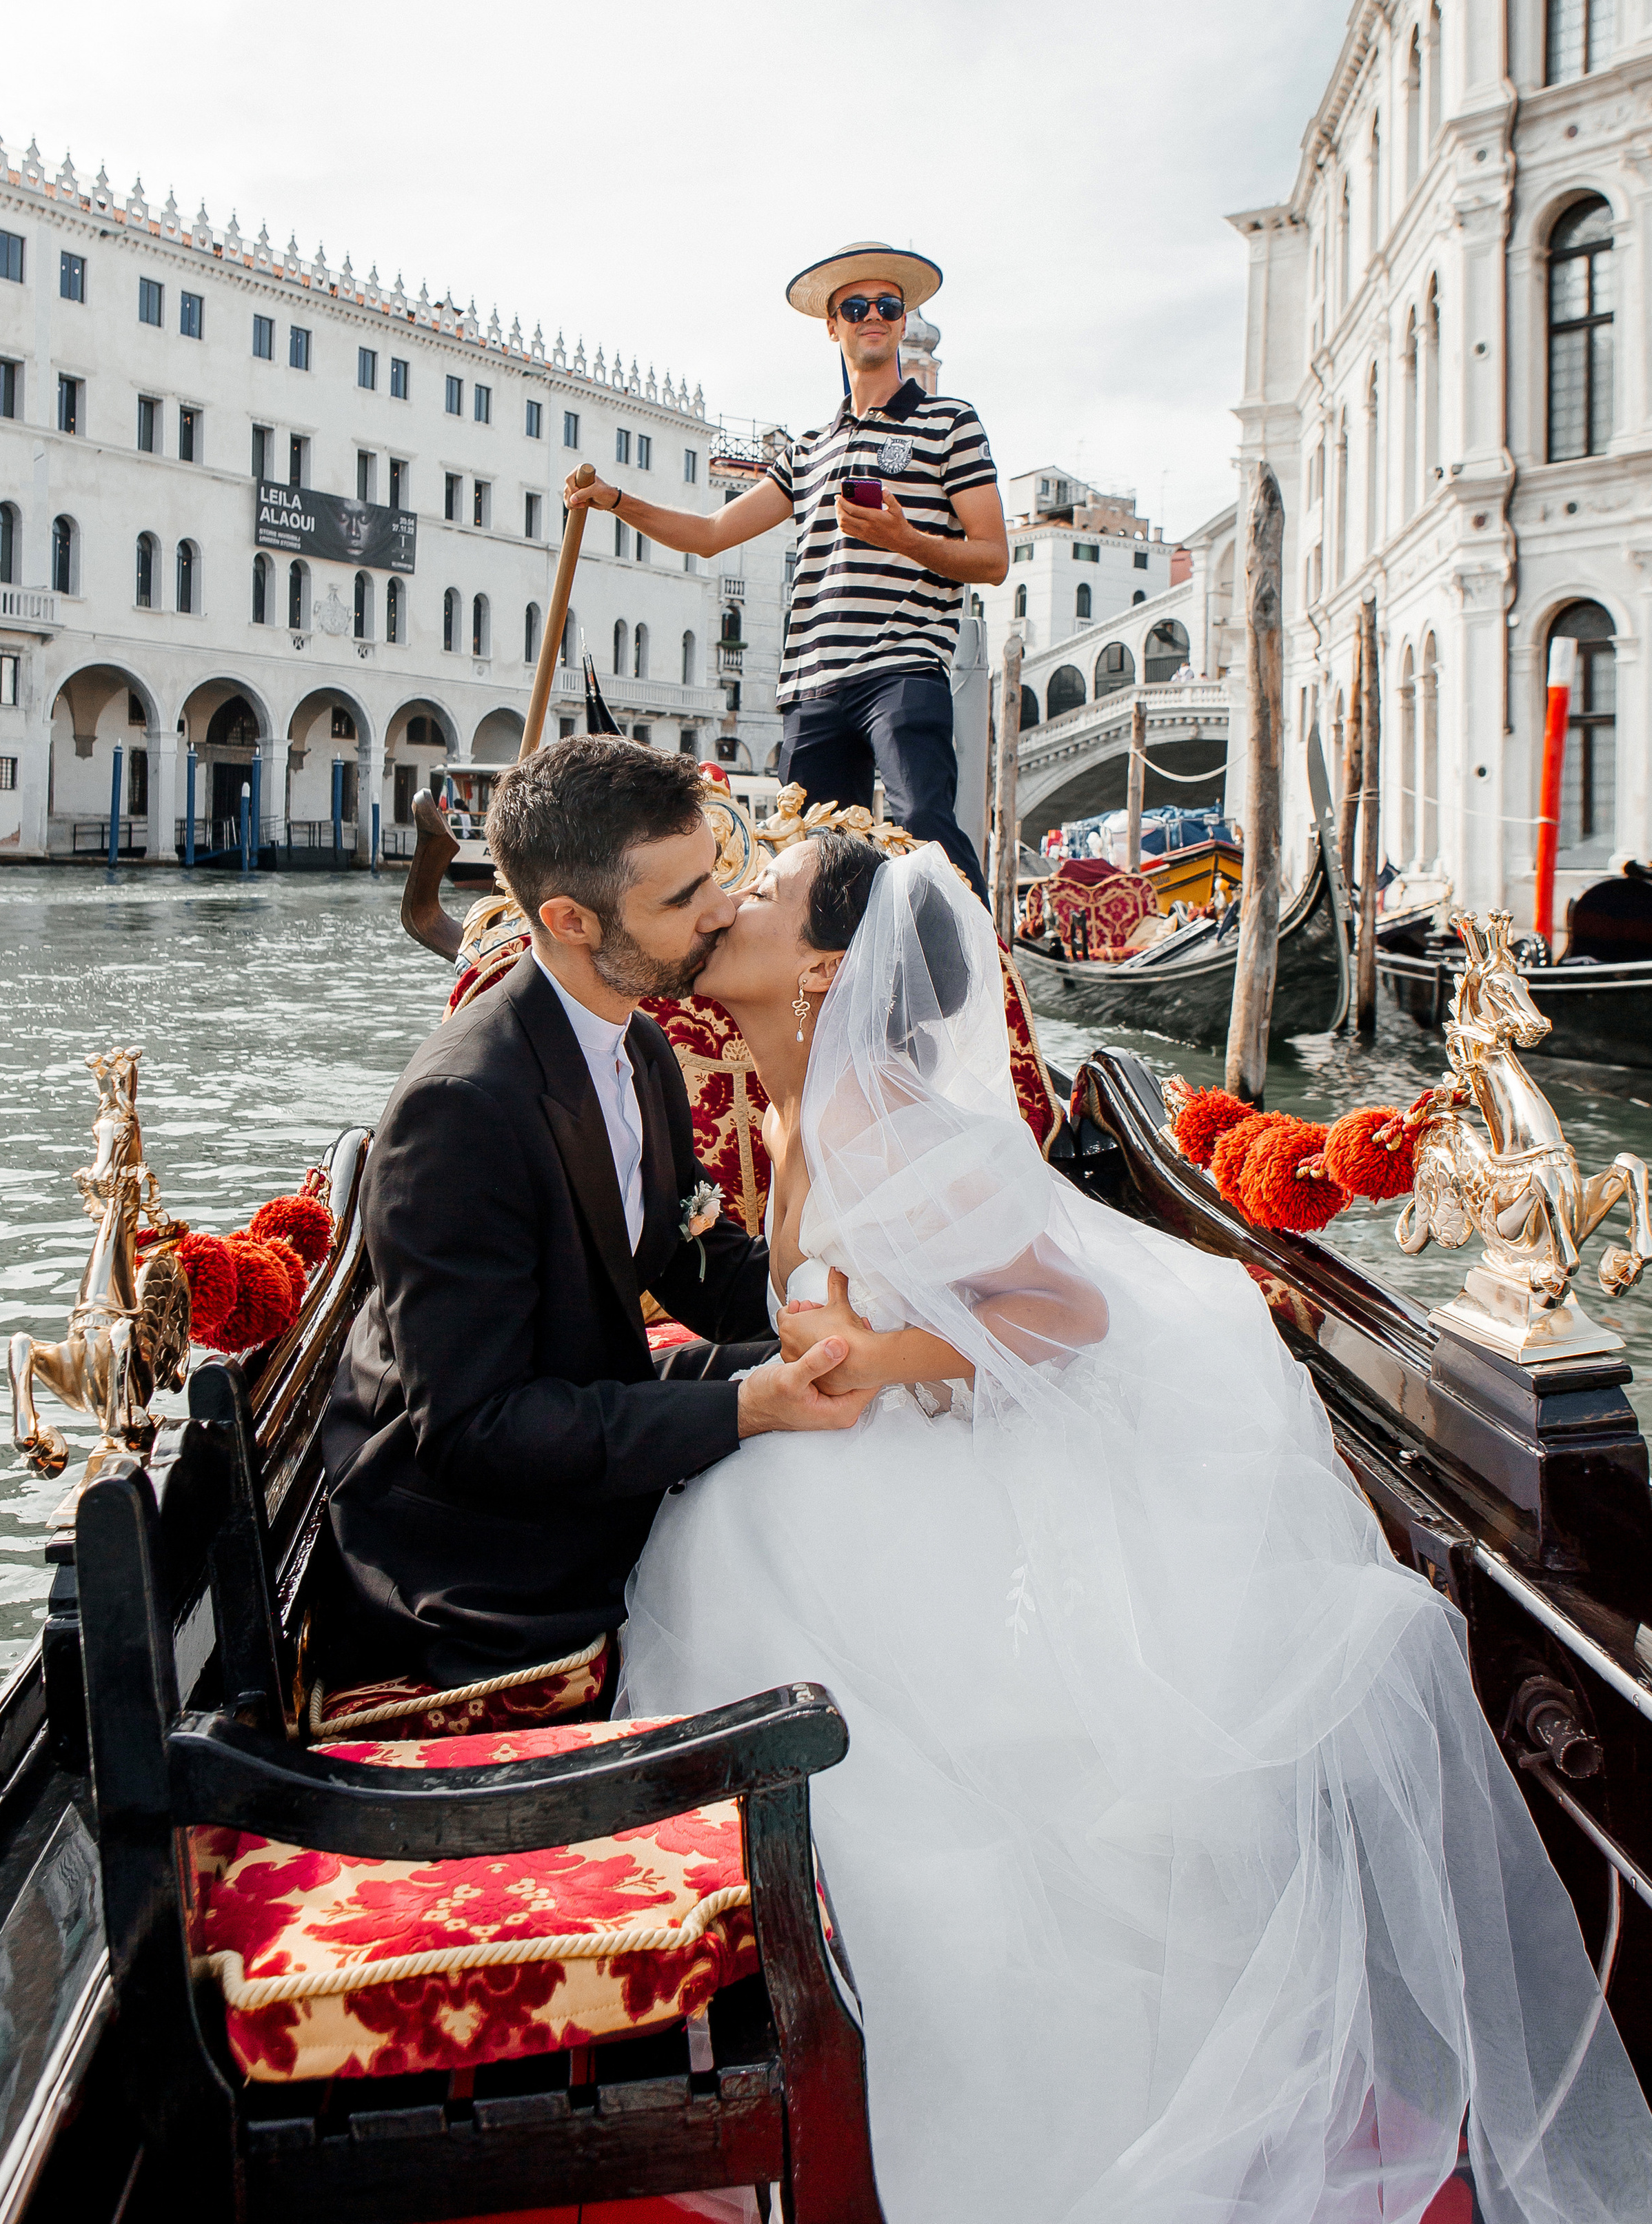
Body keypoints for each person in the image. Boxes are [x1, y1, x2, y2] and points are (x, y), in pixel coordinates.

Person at [621, 830, 1652, 2223]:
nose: (734, 903)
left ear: (822, 967)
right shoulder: (813, 1091)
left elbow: (1064, 1313)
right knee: (731, 1558)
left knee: (781, 1625)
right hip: (858, 1453)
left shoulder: (877, 1114)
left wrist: (873, 1360)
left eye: (765, 891)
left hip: (894, 1467)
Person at [321, 736, 872, 1686]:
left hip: (577, 1421)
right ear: (572, 919)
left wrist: (855, 1322)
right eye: (681, 900)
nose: (724, 910)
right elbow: (472, 1433)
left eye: (717, 876)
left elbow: (693, 1258)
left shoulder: (639, 1049)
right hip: (470, 1555)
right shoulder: (461, 1110)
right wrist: (744, 1407)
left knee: (880, 1414)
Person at [561, 241, 1007, 900]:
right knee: (814, 869)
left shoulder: (952, 424)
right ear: (833, 326)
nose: (872, 316)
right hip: (813, 684)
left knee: (924, 828)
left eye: (887, 304)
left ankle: (977, 986)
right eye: (855, 307)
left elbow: (992, 558)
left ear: (904, 319)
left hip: (903, 667)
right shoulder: (808, 451)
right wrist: (616, 502)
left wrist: (903, 537)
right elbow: (712, 535)